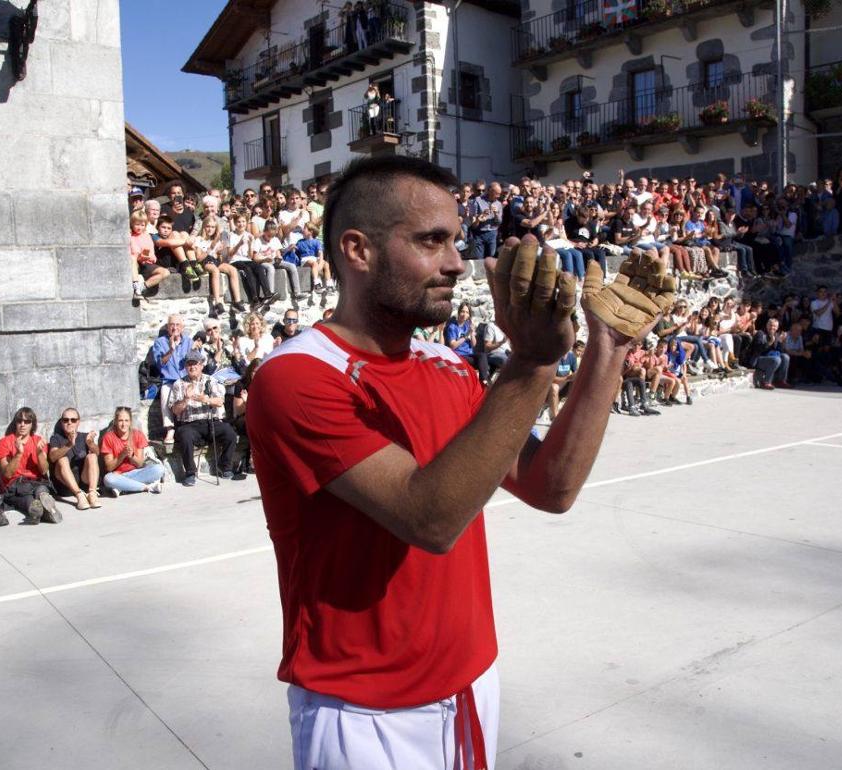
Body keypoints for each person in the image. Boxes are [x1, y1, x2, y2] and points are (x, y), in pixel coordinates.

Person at [247, 155, 654, 769]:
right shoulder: (297, 377)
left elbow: (553, 487)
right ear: (358, 250)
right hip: (363, 710)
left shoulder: (449, 367)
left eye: (457, 241)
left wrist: (608, 349)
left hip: (469, 683)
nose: (457, 263)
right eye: (431, 241)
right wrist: (532, 363)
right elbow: (431, 518)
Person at [169, 351, 242, 485]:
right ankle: (190, 472)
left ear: (201, 365)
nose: (192, 367)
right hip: (189, 424)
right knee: (185, 436)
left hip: (210, 421)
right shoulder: (178, 384)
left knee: (230, 433)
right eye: (189, 364)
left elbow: (219, 401)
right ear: (185, 367)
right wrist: (186, 399)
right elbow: (175, 410)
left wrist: (205, 399)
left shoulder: (210, 380)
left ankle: (224, 466)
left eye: (195, 364)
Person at [0, 407, 59, 525]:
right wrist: (18, 454)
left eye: (27, 422)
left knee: (41, 490)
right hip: (15, 486)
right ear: (15, 423)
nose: (22, 424)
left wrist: (39, 453)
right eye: (19, 421)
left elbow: (44, 471)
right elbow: (7, 474)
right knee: (30, 499)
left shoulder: (38, 441)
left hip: (36, 482)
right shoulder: (5, 442)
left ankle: (40, 510)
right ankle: (45, 512)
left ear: (32, 425)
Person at [151, 314, 195, 451]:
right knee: (165, 393)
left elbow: (194, 362)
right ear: (167, 327)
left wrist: (195, 349)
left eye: (177, 325)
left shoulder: (188, 341)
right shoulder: (160, 342)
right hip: (169, 380)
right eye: (172, 325)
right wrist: (171, 350)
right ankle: (170, 428)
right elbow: (159, 364)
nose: (174, 327)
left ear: (182, 327)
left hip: (185, 380)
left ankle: (192, 425)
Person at [100, 407, 163, 495]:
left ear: (130, 422)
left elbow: (140, 464)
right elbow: (109, 467)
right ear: (115, 422)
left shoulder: (138, 435)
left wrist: (132, 456)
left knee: (159, 469)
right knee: (108, 479)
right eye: (120, 420)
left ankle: (123, 487)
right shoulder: (108, 437)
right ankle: (147, 487)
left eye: (126, 420)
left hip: (136, 473)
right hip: (118, 475)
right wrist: (122, 455)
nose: (123, 424)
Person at [48, 408, 102, 510]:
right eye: (66, 420)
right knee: (62, 459)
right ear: (61, 422)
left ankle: (92, 494)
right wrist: (68, 445)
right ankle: (79, 495)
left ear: (78, 422)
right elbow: (52, 457)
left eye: (73, 420)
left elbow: (98, 453)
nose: (69, 423)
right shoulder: (56, 438)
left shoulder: (84, 437)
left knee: (92, 456)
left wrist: (90, 443)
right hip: (66, 484)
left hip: (83, 480)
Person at [130, 209, 168, 299]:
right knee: (132, 258)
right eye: (137, 224)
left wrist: (149, 257)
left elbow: (150, 252)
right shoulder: (130, 236)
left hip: (146, 263)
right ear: (132, 224)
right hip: (135, 263)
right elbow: (134, 254)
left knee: (165, 272)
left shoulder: (147, 236)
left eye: (142, 225)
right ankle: (136, 285)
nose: (140, 227)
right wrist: (140, 258)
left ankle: (142, 287)